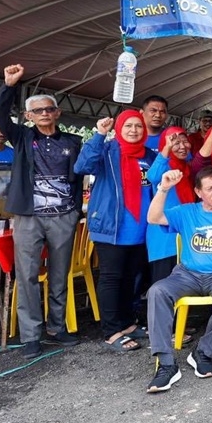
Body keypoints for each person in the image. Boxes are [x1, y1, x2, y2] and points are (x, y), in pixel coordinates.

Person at [0, 64, 84, 358]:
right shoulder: (21, 138)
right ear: (29, 116)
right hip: (28, 217)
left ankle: (57, 328)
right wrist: (9, 86)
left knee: (59, 274)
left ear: (57, 113)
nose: (44, 113)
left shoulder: (73, 142)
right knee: (27, 275)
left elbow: (82, 172)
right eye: (38, 110)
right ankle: (31, 335)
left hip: (63, 215)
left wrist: (76, 210)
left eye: (49, 109)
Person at [145, 166, 212, 393]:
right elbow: (153, 217)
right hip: (187, 274)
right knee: (157, 291)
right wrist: (163, 188)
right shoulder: (187, 212)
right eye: (210, 188)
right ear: (198, 192)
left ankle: (203, 351)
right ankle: (166, 364)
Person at [75, 111, 156, 353]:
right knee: (112, 278)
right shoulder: (108, 150)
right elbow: (83, 166)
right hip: (112, 227)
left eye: (138, 126)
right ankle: (111, 331)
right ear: (119, 128)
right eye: (128, 126)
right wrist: (99, 134)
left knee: (130, 278)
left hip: (140, 228)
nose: (133, 130)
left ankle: (128, 323)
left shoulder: (149, 155)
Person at [146, 127, 193, 285]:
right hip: (164, 237)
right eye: (175, 142)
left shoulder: (187, 168)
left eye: (184, 141)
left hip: (183, 235)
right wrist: (166, 148)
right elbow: (151, 176)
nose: (181, 146)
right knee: (164, 287)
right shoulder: (165, 167)